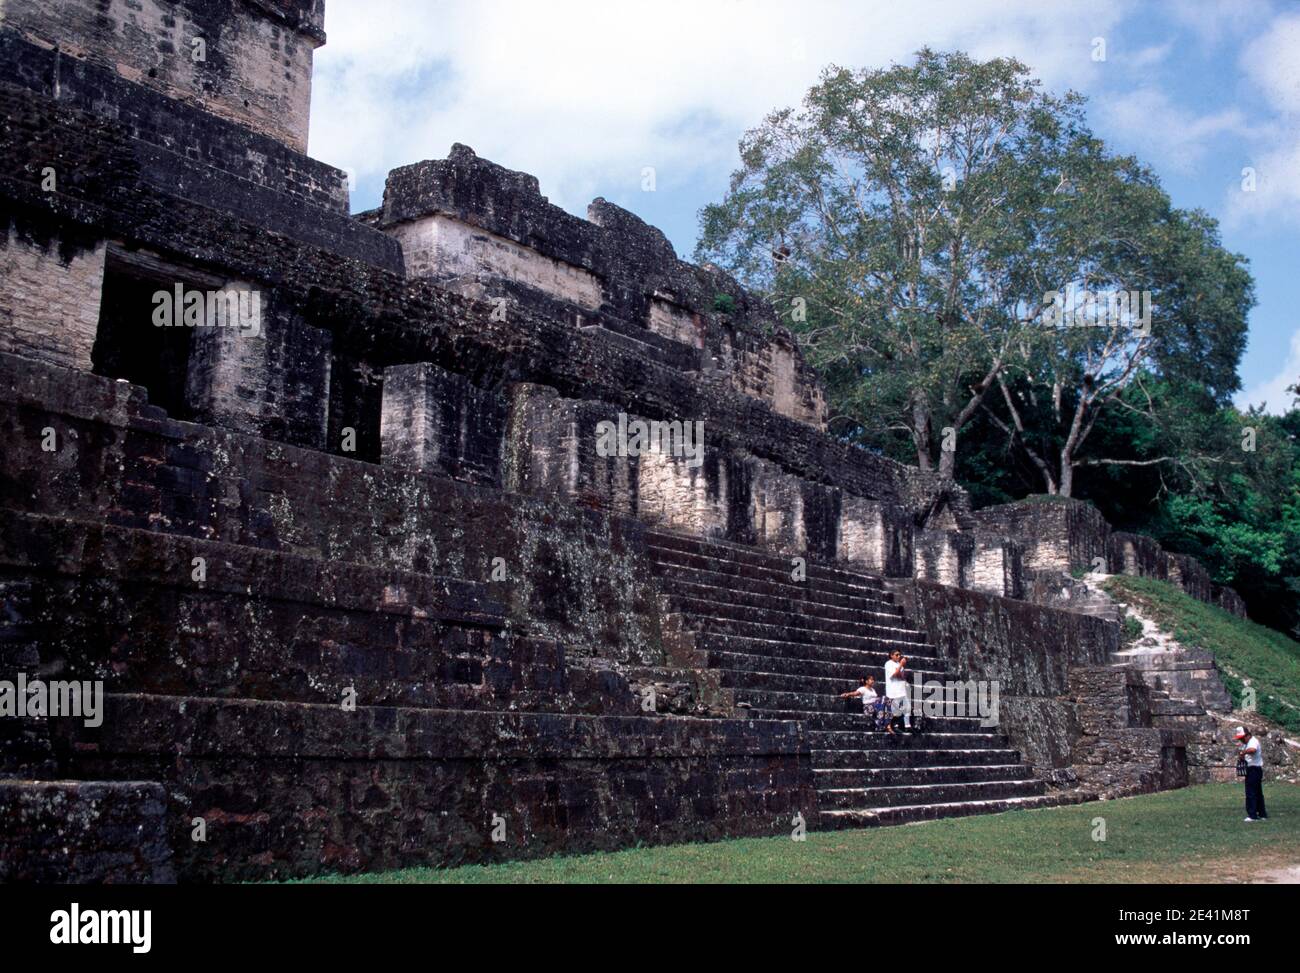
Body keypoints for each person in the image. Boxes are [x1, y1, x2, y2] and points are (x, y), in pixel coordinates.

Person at [1235, 726, 1267, 822]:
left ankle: (1252, 815)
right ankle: (1262, 814)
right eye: (1240, 738)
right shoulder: (1248, 742)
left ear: (1248, 735)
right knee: (1258, 793)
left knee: (1251, 793)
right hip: (1254, 769)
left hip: (1253, 769)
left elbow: (1252, 750)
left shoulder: (1252, 742)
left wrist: (1243, 753)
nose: (1241, 740)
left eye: (1242, 738)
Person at [883, 648, 911, 733]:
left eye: (899, 655)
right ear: (891, 656)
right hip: (893, 691)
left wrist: (900, 666)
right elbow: (894, 675)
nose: (898, 656)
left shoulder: (899, 664)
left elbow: (901, 676)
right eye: (896, 655)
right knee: (895, 711)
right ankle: (894, 726)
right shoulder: (888, 664)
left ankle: (907, 726)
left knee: (908, 708)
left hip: (901, 690)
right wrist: (901, 665)